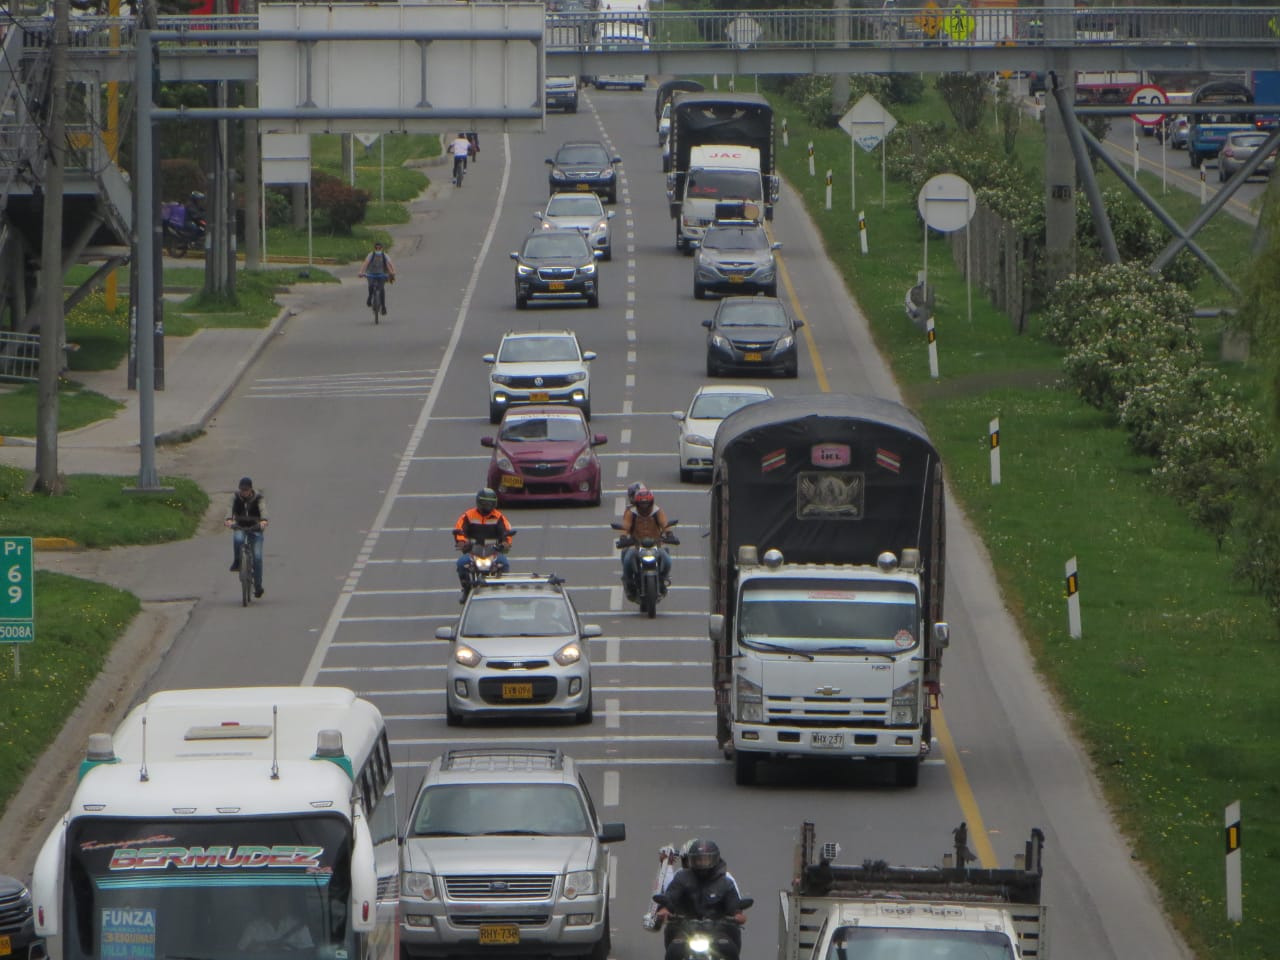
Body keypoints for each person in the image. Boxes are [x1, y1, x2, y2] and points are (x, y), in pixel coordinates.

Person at [655, 839, 748, 960]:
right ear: (691, 860)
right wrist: (665, 909)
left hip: (718, 930)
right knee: (675, 949)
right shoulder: (681, 878)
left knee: (728, 948)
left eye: (705, 859)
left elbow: (734, 905)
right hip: (685, 929)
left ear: (715, 859)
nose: (702, 863)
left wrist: (737, 914)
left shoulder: (726, 882)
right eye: (698, 859)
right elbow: (671, 896)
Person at [453, 488, 514, 603]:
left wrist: (506, 543)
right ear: (479, 502)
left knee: (504, 564)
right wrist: (462, 542)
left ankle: (501, 589)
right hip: (473, 551)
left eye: (491, 503)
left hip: (493, 551)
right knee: (461, 564)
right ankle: (466, 590)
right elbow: (459, 528)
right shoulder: (468, 515)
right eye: (485, 503)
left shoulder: (499, 517)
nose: (488, 505)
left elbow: (507, 531)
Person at [619, 485, 672, 600]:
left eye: (647, 504)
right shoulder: (631, 513)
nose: (644, 507)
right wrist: (623, 537)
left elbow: (664, 524)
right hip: (637, 545)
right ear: (637, 504)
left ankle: (663, 579)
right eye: (642, 504)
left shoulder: (657, 511)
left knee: (667, 560)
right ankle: (629, 584)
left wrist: (669, 534)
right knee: (628, 559)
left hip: (656, 545)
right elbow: (625, 526)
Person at [225, 477, 268, 599]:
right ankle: (238, 562)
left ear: (251, 489)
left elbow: (263, 510)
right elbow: (229, 508)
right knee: (238, 539)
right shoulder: (235, 498)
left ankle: (258, 586)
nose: (244, 492)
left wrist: (264, 521)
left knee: (258, 558)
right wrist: (228, 519)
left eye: (246, 490)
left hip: (255, 528)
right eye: (242, 489)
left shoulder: (259, 498)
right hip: (240, 526)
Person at [358, 241, 396, 315]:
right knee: (371, 285)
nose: (378, 249)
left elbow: (389, 264)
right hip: (371, 274)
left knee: (381, 289)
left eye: (379, 248)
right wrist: (361, 272)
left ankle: (383, 306)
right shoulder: (371, 255)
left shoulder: (384, 255)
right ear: (374, 248)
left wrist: (393, 271)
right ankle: (370, 297)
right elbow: (365, 263)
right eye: (376, 248)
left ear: (382, 248)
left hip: (381, 274)